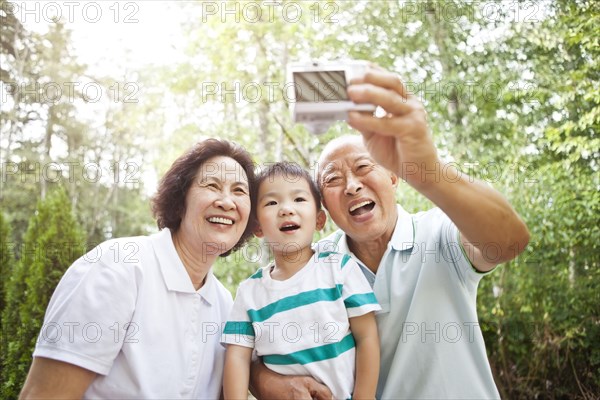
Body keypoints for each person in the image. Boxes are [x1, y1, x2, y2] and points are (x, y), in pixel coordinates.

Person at [250, 66, 530, 399]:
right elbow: (253, 343)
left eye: (364, 167)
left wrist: (429, 173)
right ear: (322, 208)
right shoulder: (312, 265)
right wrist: (269, 382)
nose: (352, 186)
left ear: (394, 177)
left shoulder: (438, 234)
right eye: (333, 180)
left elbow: (510, 241)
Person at [19, 138, 257, 399]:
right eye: (212, 185)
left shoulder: (224, 303)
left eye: (239, 191)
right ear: (180, 202)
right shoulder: (117, 266)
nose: (227, 201)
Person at [222, 162, 381, 400]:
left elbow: (367, 337)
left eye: (298, 200)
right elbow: (237, 358)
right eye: (272, 202)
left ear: (319, 220)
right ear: (257, 227)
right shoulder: (249, 293)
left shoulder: (339, 269)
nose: (286, 209)